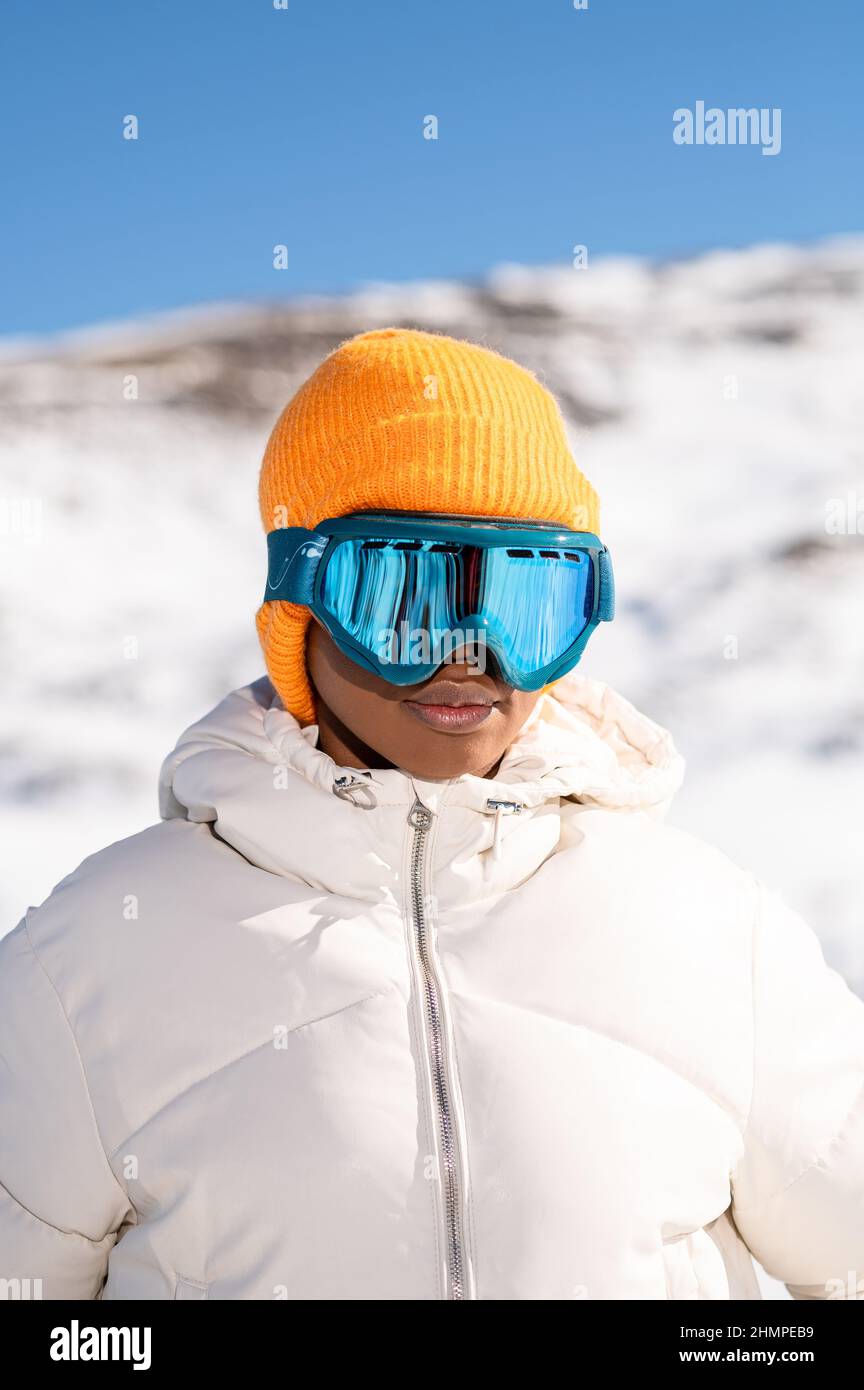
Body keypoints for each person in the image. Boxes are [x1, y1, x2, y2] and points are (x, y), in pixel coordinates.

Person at [1, 328, 862, 1302]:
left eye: (526, 597)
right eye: (403, 591)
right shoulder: (86, 967)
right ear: (301, 605)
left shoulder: (716, 937)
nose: (470, 653)